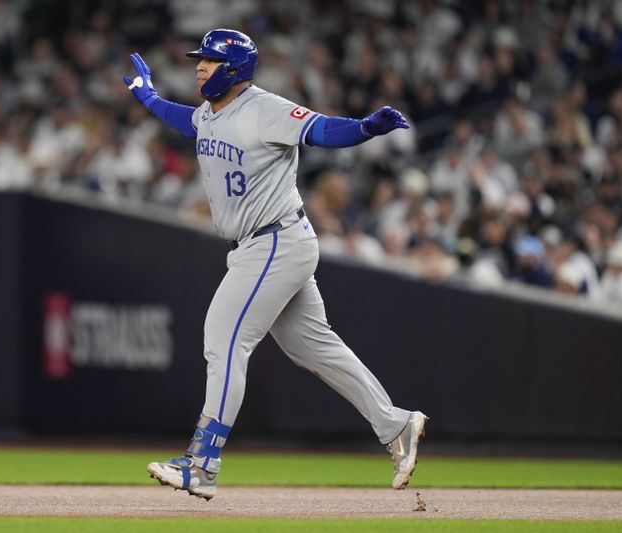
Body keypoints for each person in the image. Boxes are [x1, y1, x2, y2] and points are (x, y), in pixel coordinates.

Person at [123, 29, 427, 501]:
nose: (199, 67)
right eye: (199, 60)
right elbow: (187, 121)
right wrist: (147, 95)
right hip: (267, 244)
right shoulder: (210, 112)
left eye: (208, 60)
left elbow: (322, 129)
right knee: (313, 347)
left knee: (223, 340)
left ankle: (202, 463)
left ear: (235, 68)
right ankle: (397, 424)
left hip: (275, 241)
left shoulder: (265, 108)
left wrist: (366, 127)